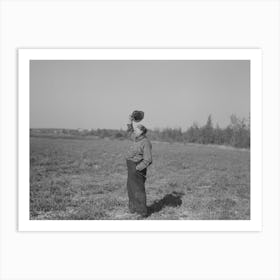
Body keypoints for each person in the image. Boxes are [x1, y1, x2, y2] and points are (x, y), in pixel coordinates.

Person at [125, 114, 152, 217]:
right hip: (130, 166)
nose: (135, 131)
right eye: (135, 130)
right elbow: (130, 131)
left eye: (137, 129)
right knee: (131, 188)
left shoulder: (146, 143)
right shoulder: (136, 138)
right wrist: (130, 120)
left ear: (142, 132)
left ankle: (142, 212)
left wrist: (137, 168)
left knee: (139, 190)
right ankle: (133, 208)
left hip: (137, 168)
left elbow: (148, 160)